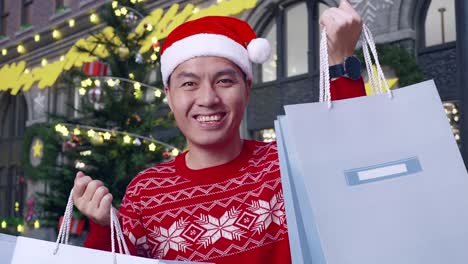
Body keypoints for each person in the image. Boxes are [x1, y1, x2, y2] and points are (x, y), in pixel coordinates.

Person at [73, 0, 365, 263]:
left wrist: (342, 61)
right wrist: (102, 228)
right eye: (188, 84)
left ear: (247, 89)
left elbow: (352, 157)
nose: (208, 98)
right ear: (169, 96)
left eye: (225, 81)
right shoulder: (144, 194)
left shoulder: (286, 164)